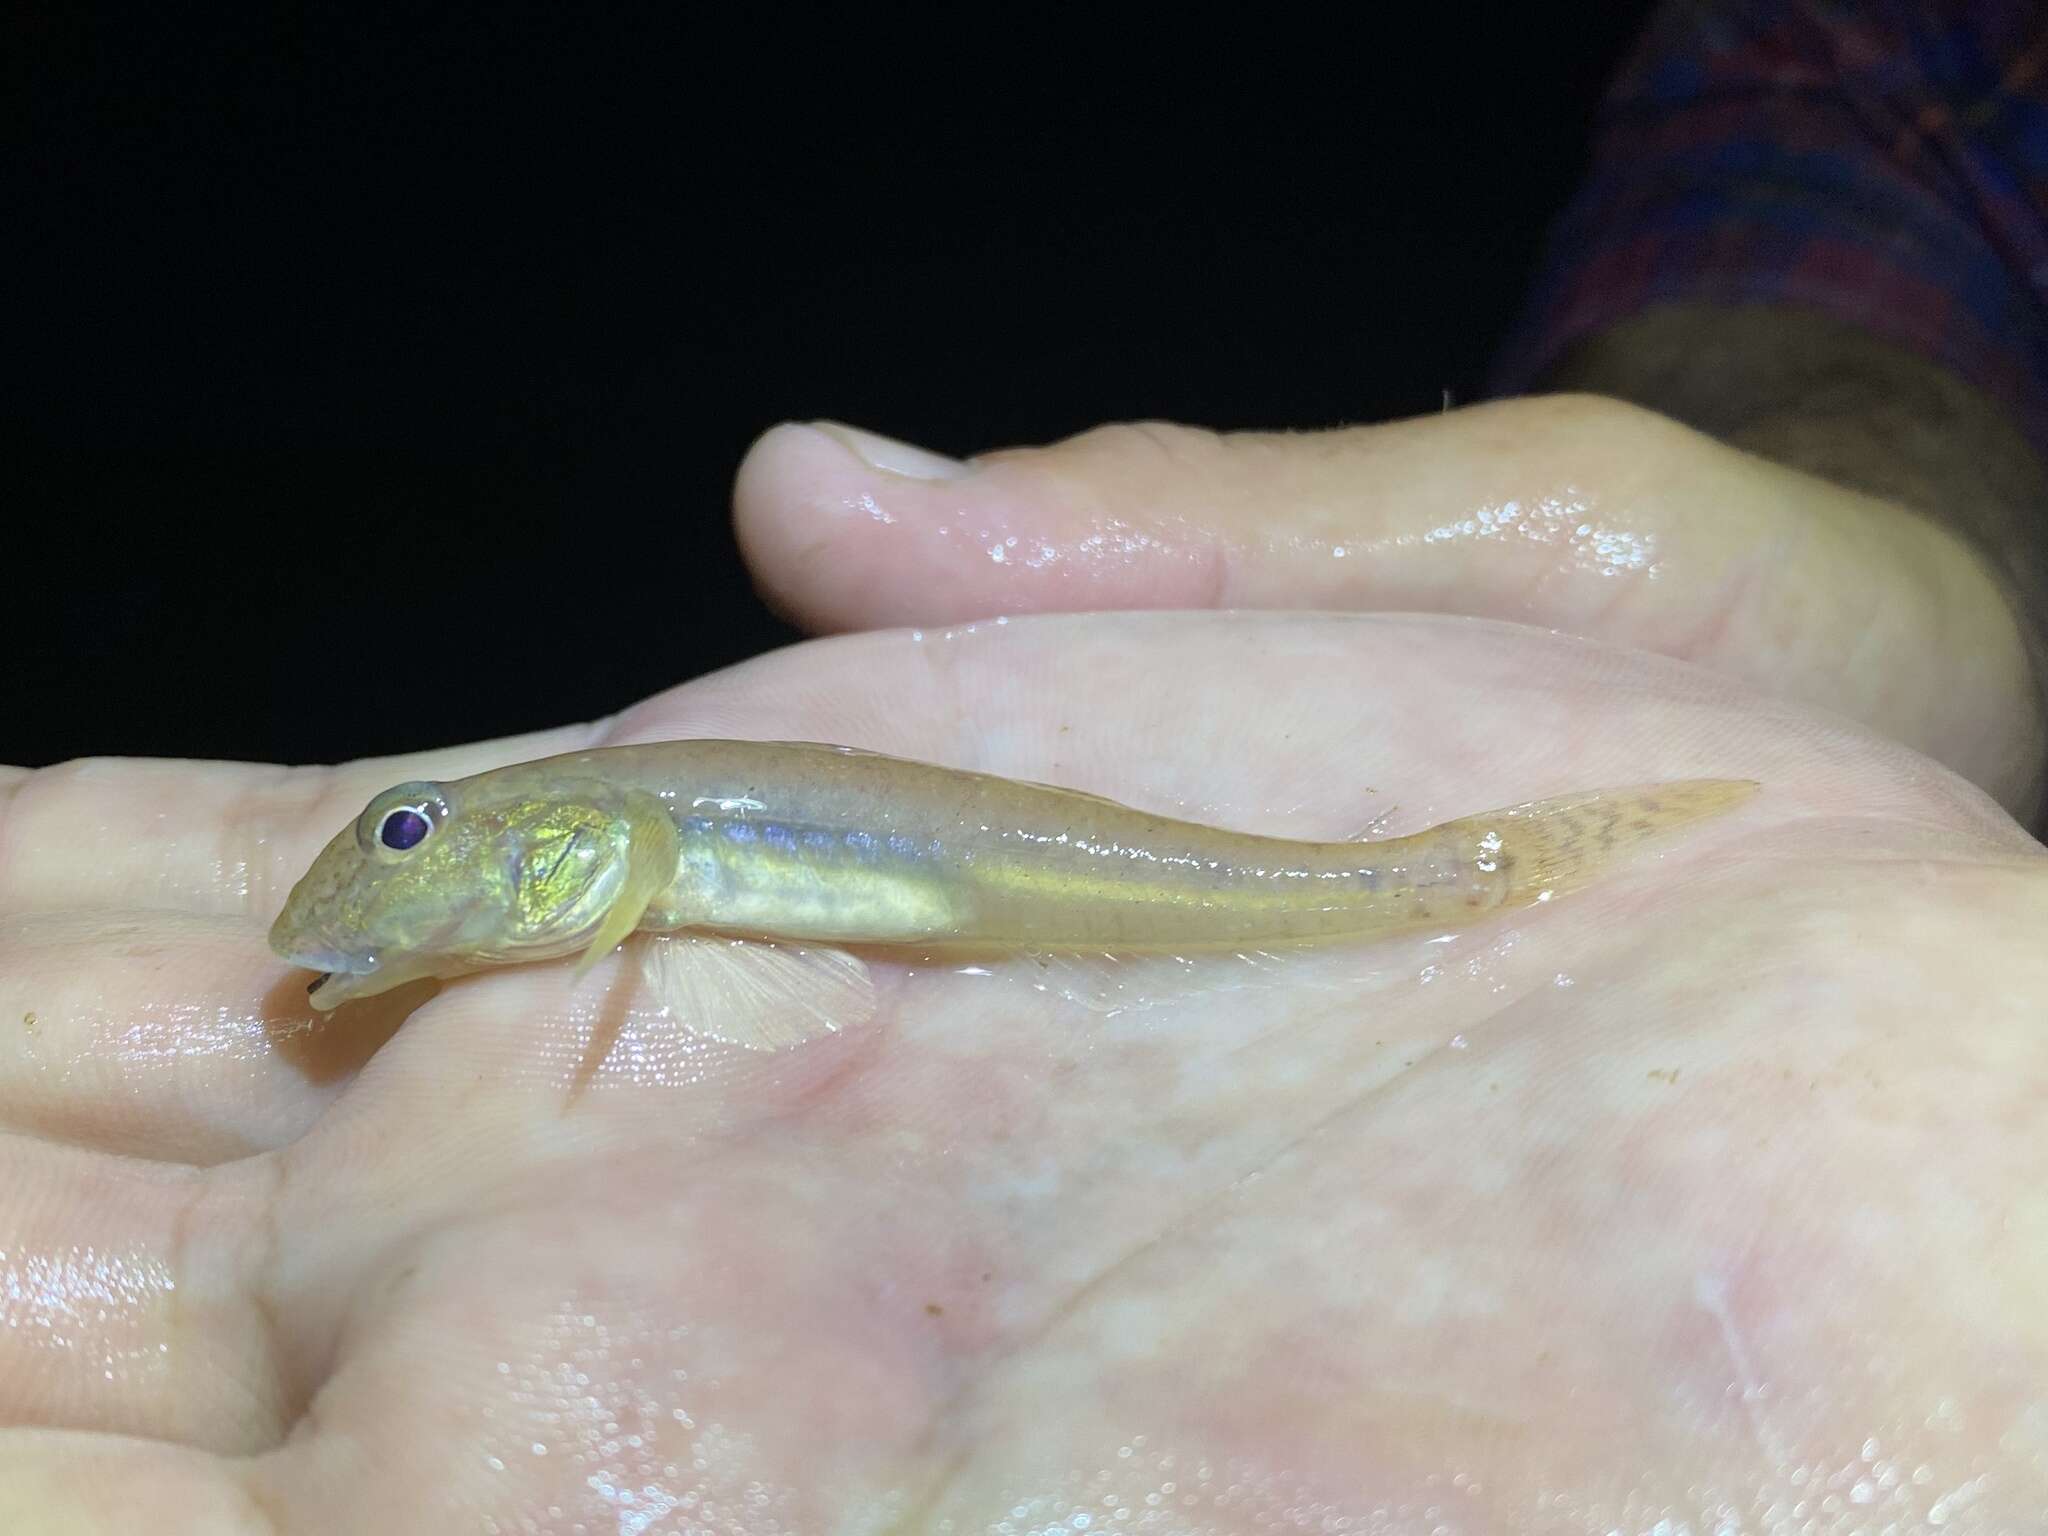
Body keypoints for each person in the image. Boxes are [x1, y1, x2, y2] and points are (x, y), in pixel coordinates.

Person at [6, 5, 2045, 1529]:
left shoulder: (623, 841)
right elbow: (1821, 184)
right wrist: (1914, 552)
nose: (413, 849)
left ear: (575, 853)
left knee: (1325, 878)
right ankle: (1454, 871)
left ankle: (1459, 874)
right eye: (415, 835)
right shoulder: (1853, 48)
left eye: (425, 831)